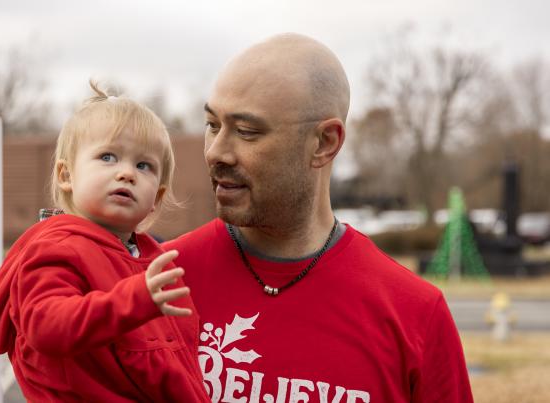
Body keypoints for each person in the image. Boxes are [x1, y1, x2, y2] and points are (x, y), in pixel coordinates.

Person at [164, 33, 474, 402]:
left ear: (325, 142)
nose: (216, 152)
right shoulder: (157, 282)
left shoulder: (414, 314)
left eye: (247, 132)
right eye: (213, 125)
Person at [0, 82, 209, 402]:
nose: (127, 173)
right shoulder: (58, 247)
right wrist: (134, 300)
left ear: (157, 197)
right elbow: (46, 325)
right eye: (108, 157)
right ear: (66, 176)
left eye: (143, 165)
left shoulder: (146, 255)